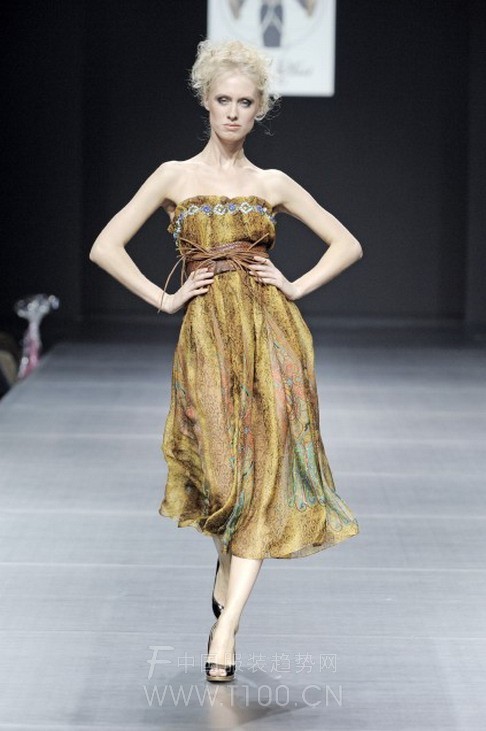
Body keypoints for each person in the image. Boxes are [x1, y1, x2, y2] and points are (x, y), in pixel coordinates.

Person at [89, 38, 362, 683]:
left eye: (245, 102)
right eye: (223, 101)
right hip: (206, 341)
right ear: (205, 103)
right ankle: (227, 558)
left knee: (262, 477)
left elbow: (347, 243)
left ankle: (226, 627)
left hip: (273, 339)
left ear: (260, 108)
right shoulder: (173, 177)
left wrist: (294, 286)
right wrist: (166, 297)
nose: (234, 112)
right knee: (220, 476)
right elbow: (105, 246)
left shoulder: (272, 184)